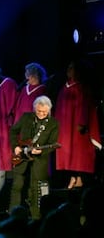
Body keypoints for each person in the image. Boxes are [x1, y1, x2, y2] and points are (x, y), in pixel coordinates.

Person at [8, 95, 59, 220]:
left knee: (36, 190)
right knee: (17, 186)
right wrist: (15, 146)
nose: (41, 114)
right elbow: (13, 131)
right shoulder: (26, 117)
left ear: (49, 111)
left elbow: (52, 144)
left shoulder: (53, 123)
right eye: (39, 111)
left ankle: (36, 218)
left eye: (44, 112)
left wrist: (40, 152)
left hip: (39, 161)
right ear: (34, 109)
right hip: (22, 158)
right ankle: (12, 216)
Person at [54, 60, 102, 190]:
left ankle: (79, 178)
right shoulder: (64, 89)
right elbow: (58, 109)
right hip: (65, 128)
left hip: (77, 128)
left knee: (78, 154)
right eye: (68, 68)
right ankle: (73, 177)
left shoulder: (82, 88)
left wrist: (82, 122)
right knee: (66, 153)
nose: (69, 70)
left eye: (72, 68)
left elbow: (85, 107)